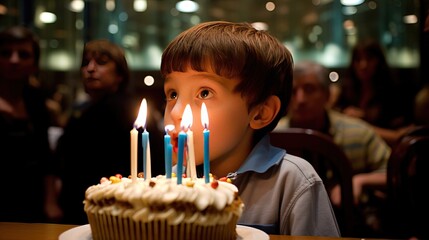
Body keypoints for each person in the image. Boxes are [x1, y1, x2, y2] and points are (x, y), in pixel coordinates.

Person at [160, 21, 340, 236]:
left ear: (260, 113)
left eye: (205, 93)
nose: (176, 111)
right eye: (172, 94)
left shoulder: (292, 182)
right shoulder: (173, 182)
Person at [275, 60, 391, 237]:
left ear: (327, 95)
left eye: (309, 89)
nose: (300, 99)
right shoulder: (273, 136)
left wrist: (358, 181)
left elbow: (394, 172)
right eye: (293, 91)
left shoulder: (357, 133)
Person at [55, 39, 164, 224]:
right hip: (81, 208)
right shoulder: (81, 111)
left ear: (120, 74)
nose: (90, 68)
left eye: (101, 62)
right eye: (85, 63)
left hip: (120, 211)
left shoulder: (130, 111)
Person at [0, 26, 61, 222]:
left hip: (31, 200)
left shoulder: (35, 100)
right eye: (6, 53)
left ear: (34, 64)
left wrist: (50, 202)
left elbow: (45, 158)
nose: (14, 60)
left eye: (23, 54)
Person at [334, 39, 414, 146]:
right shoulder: (346, 90)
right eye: (358, 60)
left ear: (379, 61)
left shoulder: (394, 93)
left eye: (369, 59)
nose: (363, 65)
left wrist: (359, 124)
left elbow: (400, 136)